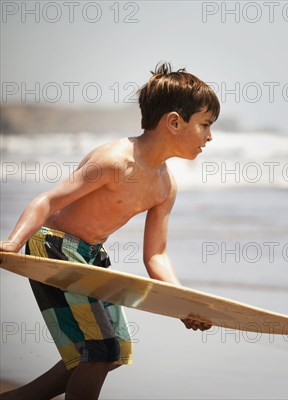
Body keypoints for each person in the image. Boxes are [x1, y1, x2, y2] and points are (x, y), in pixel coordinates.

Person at [0, 62, 218, 399]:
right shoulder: (115, 161)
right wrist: (13, 244)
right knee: (100, 350)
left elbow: (156, 255)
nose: (210, 136)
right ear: (174, 122)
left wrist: (182, 303)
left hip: (90, 257)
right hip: (55, 248)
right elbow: (47, 202)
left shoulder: (165, 185)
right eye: (205, 125)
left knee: (113, 352)